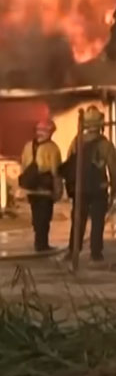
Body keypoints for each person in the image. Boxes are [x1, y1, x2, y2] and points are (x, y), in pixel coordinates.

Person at [64, 107, 116, 262]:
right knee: (98, 221)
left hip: (80, 188)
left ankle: (73, 250)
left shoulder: (76, 142)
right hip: (99, 188)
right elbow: (113, 169)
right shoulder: (106, 145)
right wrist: (114, 191)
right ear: (101, 124)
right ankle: (96, 253)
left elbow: (69, 165)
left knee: (78, 221)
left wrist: (70, 187)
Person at [19, 118, 63, 252]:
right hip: (45, 190)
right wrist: (58, 190)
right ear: (50, 132)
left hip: (31, 189)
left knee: (36, 216)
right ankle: (42, 244)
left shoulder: (28, 146)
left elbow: (24, 166)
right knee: (45, 218)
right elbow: (56, 172)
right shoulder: (53, 148)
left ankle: (38, 242)